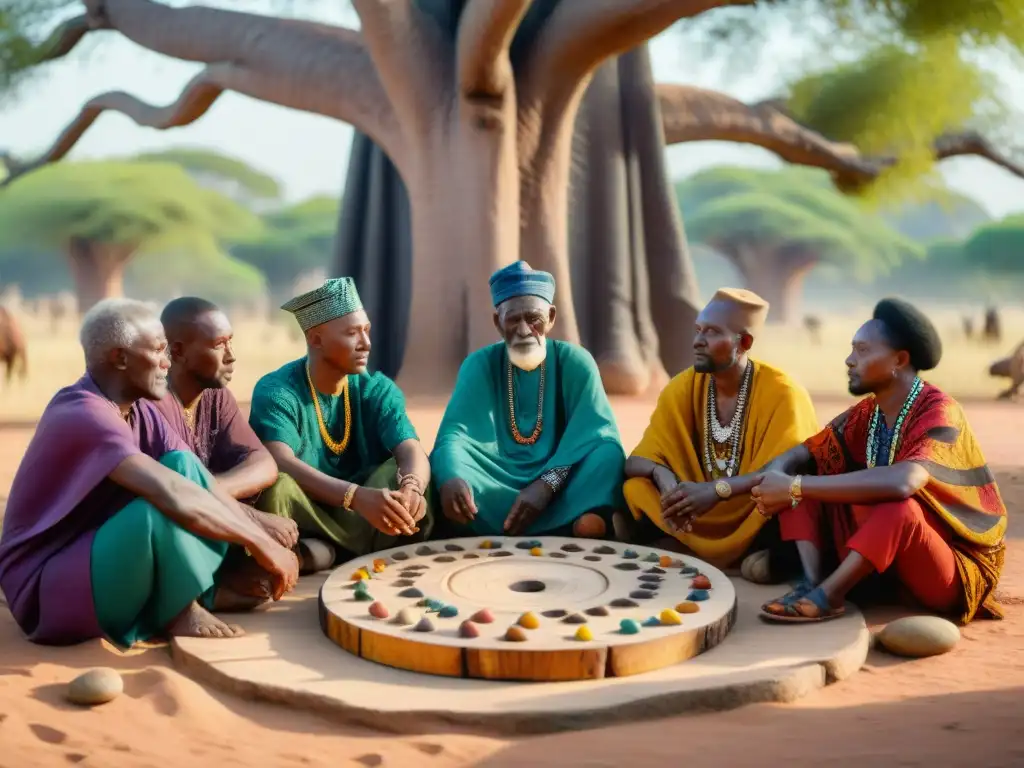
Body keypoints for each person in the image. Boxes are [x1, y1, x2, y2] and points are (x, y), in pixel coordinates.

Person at [0, 299, 298, 648]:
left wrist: (255, 526)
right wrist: (260, 543)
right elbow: (169, 492)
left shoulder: (140, 410)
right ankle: (178, 607)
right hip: (46, 593)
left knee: (184, 469)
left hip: (92, 558)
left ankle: (188, 597)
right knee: (159, 503)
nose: (167, 362)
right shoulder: (84, 414)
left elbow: (195, 478)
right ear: (121, 358)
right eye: (158, 350)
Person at [754, 298, 1006, 624]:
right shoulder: (869, 412)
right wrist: (719, 490)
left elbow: (904, 482)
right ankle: (811, 583)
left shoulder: (939, 410)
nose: (848, 360)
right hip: (887, 561)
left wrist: (795, 486)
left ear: (899, 360)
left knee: (898, 506)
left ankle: (828, 596)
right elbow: (803, 453)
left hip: (948, 569)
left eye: (861, 351)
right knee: (804, 476)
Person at [622, 288, 819, 568]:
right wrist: (668, 486)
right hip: (693, 504)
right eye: (698, 330)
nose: (698, 341)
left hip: (753, 508)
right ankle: (692, 542)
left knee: (790, 500)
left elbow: (782, 472)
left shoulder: (784, 392)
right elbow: (638, 460)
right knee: (636, 488)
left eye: (712, 332)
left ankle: (768, 557)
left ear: (745, 342)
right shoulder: (682, 387)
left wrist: (716, 491)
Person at [431, 261, 626, 538]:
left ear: (551, 317)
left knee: (607, 455)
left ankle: (583, 517)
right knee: (452, 473)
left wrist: (547, 483)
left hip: (562, 478)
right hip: (494, 477)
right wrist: (452, 476)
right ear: (498, 322)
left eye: (533, 318)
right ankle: (577, 521)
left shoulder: (575, 361)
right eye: (513, 319)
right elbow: (454, 436)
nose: (524, 330)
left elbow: (597, 433)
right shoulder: (479, 364)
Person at [248, 278, 434, 559]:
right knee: (276, 487)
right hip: (310, 513)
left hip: (371, 511)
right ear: (316, 338)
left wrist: (412, 488)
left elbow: (409, 447)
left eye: (367, 331)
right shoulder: (278, 391)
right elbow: (280, 459)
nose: (366, 344)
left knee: (408, 469)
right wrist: (355, 497)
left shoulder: (377, 389)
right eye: (352, 333)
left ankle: (323, 554)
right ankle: (335, 550)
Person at [155, 297, 327, 579]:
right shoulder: (153, 404)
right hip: (173, 522)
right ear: (178, 351)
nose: (231, 355)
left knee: (278, 484)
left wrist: (214, 491)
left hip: (211, 511)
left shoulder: (215, 395)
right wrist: (251, 518)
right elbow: (172, 491)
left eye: (230, 342)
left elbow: (263, 463)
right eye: (218, 344)